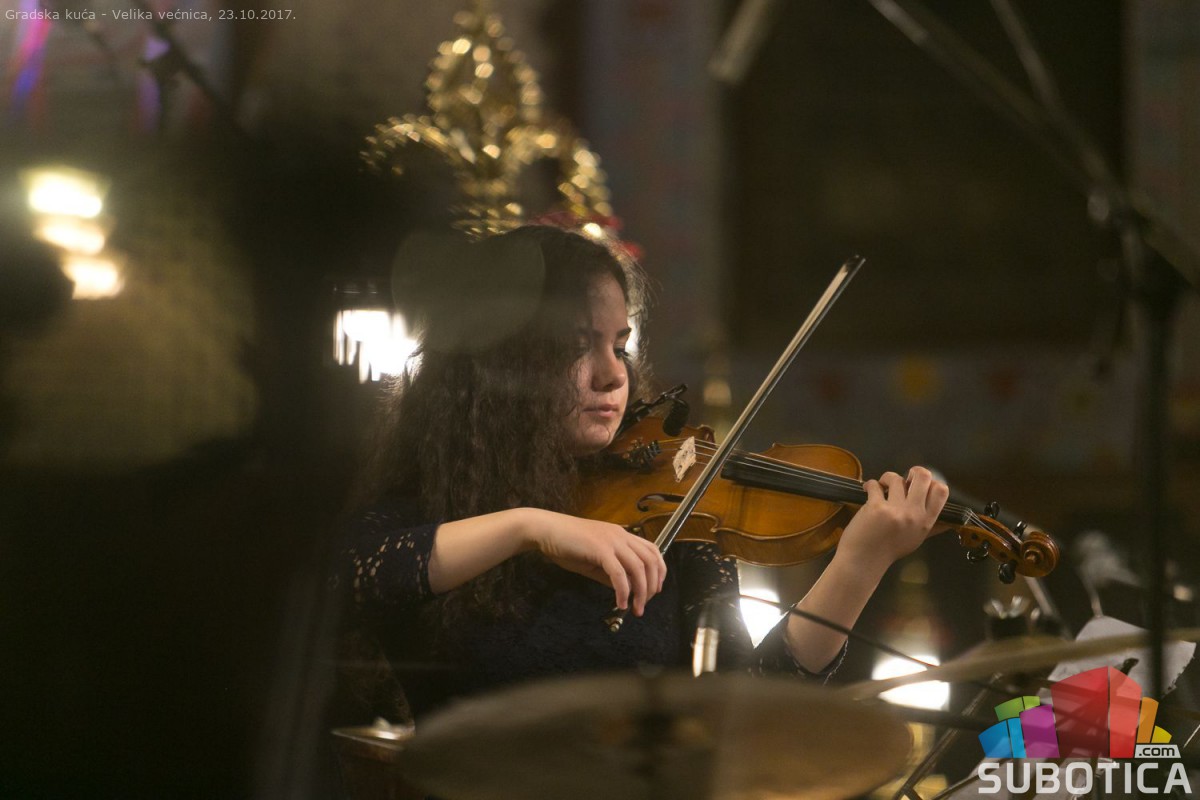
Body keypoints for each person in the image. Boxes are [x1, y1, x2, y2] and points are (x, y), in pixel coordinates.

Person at [336, 223, 949, 722]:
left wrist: (859, 563)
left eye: (619, 345)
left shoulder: (670, 514)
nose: (613, 376)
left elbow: (749, 707)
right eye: (575, 347)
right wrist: (530, 526)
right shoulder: (430, 508)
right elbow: (353, 575)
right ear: (502, 367)